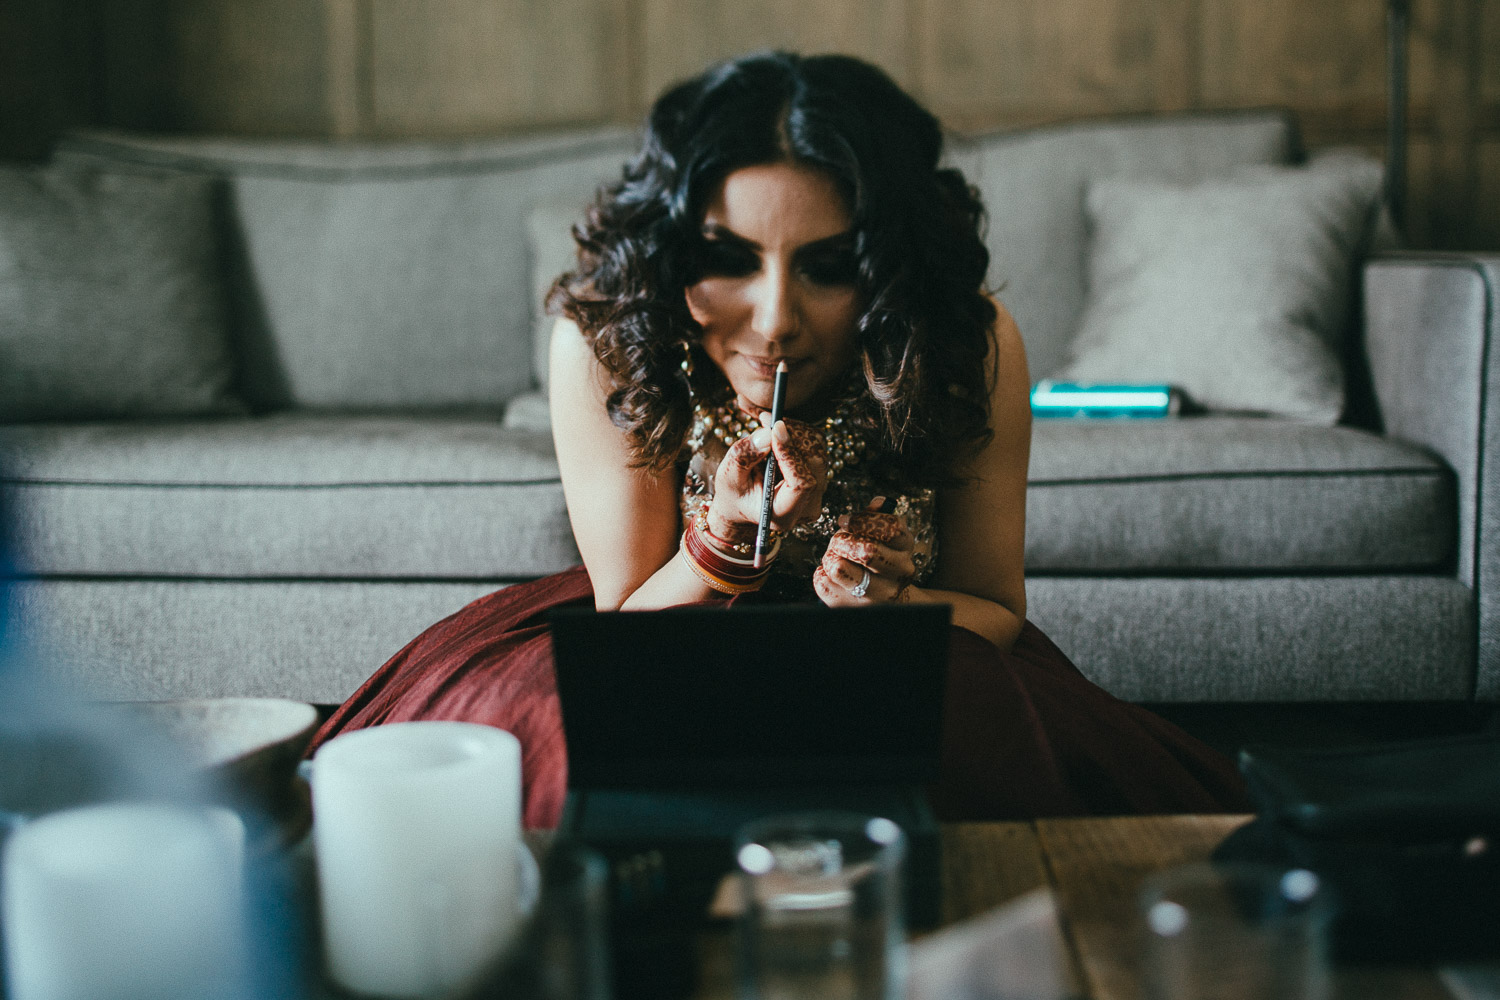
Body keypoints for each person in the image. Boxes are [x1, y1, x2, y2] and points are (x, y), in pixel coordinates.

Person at [307, 52, 1248, 827]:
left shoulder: (964, 339)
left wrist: (896, 602)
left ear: (885, 264)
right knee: (570, 750)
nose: (774, 320)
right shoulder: (605, 337)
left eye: (829, 267)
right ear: (674, 251)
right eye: (726, 260)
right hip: (661, 631)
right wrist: (723, 538)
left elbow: (996, 608)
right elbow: (632, 621)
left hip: (903, 651)